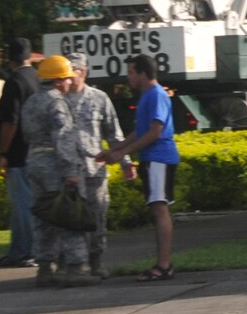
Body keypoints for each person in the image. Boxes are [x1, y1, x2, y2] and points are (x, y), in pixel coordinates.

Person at [20, 55, 106, 287]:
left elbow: (27, 134)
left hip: (35, 162)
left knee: (44, 217)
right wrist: (71, 170)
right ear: (58, 80)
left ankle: (45, 269)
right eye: (66, 78)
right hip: (55, 165)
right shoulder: (57, 102)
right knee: (70, 214)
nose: (69, 82)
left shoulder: (31, 102)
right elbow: (64, 137)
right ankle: (76, 268)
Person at [97, 55, 179, 281]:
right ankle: (163, 264)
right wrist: (115, 150)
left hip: (159, 157)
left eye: (131, 72)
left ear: (143, 73)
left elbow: (155, 131)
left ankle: (164, 265)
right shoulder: (147, 96)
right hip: (153, 158)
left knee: (160, 208)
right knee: (156, 208)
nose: (128, 77)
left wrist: (122, 153)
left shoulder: (156, 95)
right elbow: (140, 131)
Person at [66, 64, 126, 279]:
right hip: (70, 172)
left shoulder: (99, 98)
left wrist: (125, 162)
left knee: (98, 218)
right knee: (72, 221)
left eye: (74, 71)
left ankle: (97, 262)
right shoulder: (58, 99)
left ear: (84, 72)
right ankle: (75, 265)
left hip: (95, 169)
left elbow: (113, 133)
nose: (70, 77)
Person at [0, 38, 42, 268]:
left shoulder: (13, 82)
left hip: (19, 153)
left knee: (22, 206)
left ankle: (27, 251)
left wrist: (3, 152)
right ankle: (18, 250)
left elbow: (9, 122)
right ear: (30, 56)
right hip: (37, 151)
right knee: (27, 204)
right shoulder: (38, 79)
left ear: (9, 58)